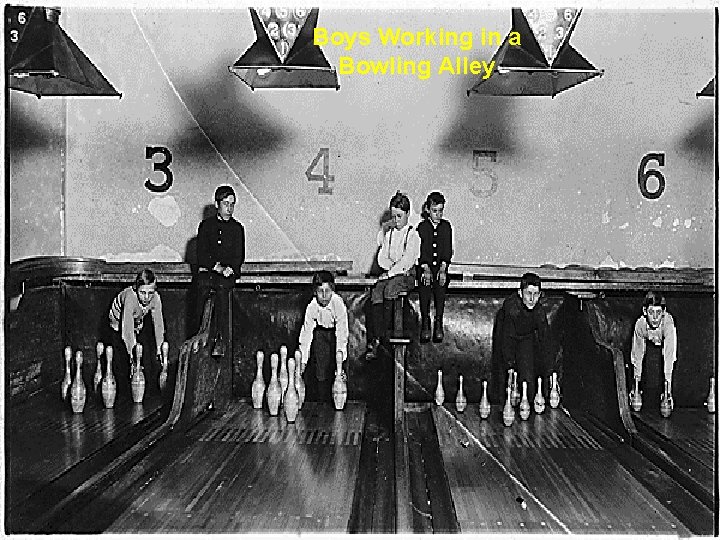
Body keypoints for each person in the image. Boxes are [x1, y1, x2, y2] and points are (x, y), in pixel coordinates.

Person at [367, 191, 420, 356]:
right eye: (393, 216)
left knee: (390, 289)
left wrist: (392, 272)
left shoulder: (412, 234)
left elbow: (406, 261)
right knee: (377, 291)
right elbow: (383, 257)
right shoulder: (389, 234)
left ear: (408, 214)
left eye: (399, 216)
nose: (396, 220)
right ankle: (377, 338)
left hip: (406, 275)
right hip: (391, 273)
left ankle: (387, 335)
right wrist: (388, 270)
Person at [195, 185, 245, 346]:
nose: (229, 208)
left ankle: (221, 339)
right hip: (210, 272)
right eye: (226, 204)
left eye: (232, 204)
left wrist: (231, 268)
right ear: (217, 204)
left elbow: (239, 256)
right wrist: (216, 267)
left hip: (226, 276)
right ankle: (199, 336)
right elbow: (201, 254)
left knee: (223, 291)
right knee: (201, 288)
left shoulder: (237, 228)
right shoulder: (206, 226)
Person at [106, 268, 167, 393]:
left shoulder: (156, 298)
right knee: (122, 359)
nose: (146, 297)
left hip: (137, 321)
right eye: (142, 292)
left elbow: (159, 325)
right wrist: (133, 358)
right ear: (136, 288)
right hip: (117, 323)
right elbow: (127, 331)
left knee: (144, 351)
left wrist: (160, 350)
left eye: (150, 293)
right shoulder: (130, 297)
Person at [499, 272, 551, 405]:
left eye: (536, 294)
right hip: (506, 341)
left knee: (528, 381)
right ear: (520, 293)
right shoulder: (511, 309)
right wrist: (510, 367)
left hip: (526, 340)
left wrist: (550, 372)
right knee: (507, 385)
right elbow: (506, 341)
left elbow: (545, 341)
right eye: (528, 293)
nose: (532, 299)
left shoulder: (539, 311)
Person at [298, 271, 349, 402]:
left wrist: (341, 361)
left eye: (328, 291)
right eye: (321, 291)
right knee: (320, 371)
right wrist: (302, 361)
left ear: (333, 290)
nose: (325, 296)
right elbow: (306, 333)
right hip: (320, 334)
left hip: (336, 335)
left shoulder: (338, 304)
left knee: (337, 370)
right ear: (315, 292)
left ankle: (338, 402)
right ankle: (322, 403)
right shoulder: (312, 307)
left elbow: (342, 333)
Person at [417, 191, 453, 343]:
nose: (437, 214)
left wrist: (443, 268)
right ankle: (425, 322)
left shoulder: (446, 227)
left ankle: (438, 321)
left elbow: (447, 250)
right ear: (427, 210)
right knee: (425, 285)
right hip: (425, 267)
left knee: (440, 285)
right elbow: (420, 250)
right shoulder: (422, 227)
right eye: (434, 211)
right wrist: (425, 268)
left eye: (440, 211)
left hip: (440, 267)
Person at [630, 291, 677, 402]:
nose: (655, 317)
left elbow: (669, 356)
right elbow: (637, 354)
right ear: (645, 311)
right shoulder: (640, 324)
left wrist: (667, 391)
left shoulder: (668, 324)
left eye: (658, 312)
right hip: (650, 343)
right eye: (651, 312)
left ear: (664, 312)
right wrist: (636, 385)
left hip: (668, 346)